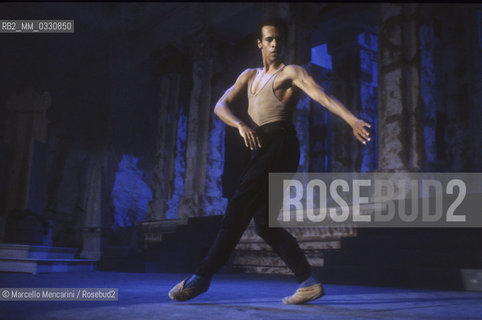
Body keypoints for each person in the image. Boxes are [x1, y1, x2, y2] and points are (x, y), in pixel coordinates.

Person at [169, 17, 371, 305]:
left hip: (280, 142)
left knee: (238, 206)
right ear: (260, 43)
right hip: (261, 145)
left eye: (279, 39)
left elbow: (321, 95)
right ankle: (308, 282)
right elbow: (219, 106)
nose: (275, 44)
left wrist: (351, 119)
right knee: (265, 224)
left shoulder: (291, 72)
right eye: (270, 39)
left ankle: (200, 278)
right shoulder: (248, 75)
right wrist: (240, 125)